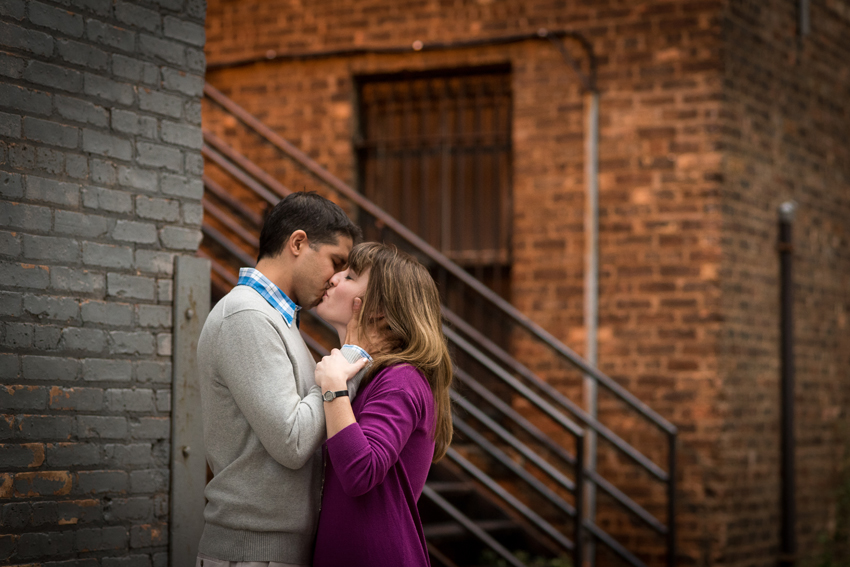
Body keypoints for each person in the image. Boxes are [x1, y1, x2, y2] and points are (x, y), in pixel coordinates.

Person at [195, 192, 369, 567]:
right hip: (251, 555)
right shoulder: (246, 316)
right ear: (298, 243)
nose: (337, 279)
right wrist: (347, 363)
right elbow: (292, 442)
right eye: (335, 262)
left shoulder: (278, 319)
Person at [310, 242, 454, 567]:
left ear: (378, 309)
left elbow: (361, 471)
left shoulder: (401, 379)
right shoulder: (375, 377)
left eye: (349, 276)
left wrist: (333, 387)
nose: (334, 279)